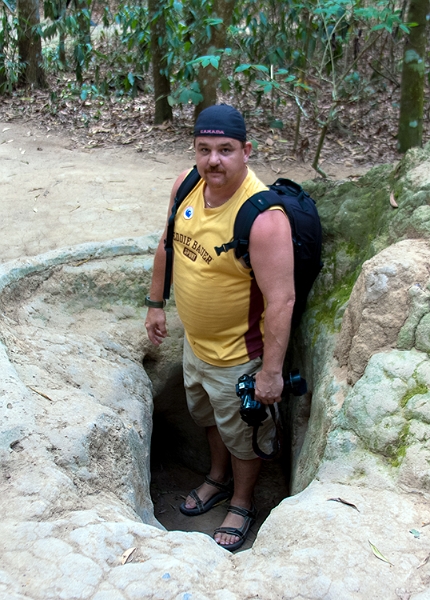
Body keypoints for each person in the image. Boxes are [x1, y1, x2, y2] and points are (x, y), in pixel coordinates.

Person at [145, 104, 295, 551]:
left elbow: (281, 299)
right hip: (196, 345)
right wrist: (156, 303)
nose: (214, 160)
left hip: (239, 357)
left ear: (246, 151)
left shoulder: (264, 217)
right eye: (204, 149)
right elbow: (166, 245)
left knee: (245, 436)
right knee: (208, 418)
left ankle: (243, 501)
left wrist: (270, 373)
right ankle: (216, 477)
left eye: (226, 150)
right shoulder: (186, 185)